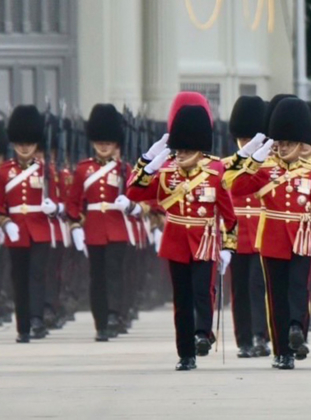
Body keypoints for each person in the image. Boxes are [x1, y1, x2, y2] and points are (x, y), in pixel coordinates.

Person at [126, 93, 237, 371]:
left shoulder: (215, 171)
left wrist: (228, 246)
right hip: (176, 241)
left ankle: (202, 334)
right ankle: (186, 353)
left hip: (204, 240)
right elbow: (133, 192)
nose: (182, 154)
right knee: (182, 299)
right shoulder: (166, 172)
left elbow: (228, 213)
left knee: (203, 292)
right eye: (180, 150)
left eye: (187, 150)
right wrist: (147, 164)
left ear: (199, 149)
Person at [227, 97, 311, 370]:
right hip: (272, 238)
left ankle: (297, 329)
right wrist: (254, 161)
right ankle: (282, 351)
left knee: (299, 289)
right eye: (280, 143)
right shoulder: (264, 170)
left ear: (301, 144)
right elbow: (234, 187)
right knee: (276, 296)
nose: (283, 148)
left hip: (302, 239)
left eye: (289, 143)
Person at [67, 104, 139, 341]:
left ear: (116, 143)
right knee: (97, 277)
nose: (104, 145)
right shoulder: (83, 169)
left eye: (108, 142)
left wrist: (129, 204)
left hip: (118, 228)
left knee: (115, 274)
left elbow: (138, 198)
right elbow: (73, 202)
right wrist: (75, 224)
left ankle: (115, 314)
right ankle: (101, 321)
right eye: (100, 141)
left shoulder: (125, 169)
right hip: (94, 229)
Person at [0, 105, 59, 342]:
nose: (24, 147)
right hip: (16, 230)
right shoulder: (4, 172)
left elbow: (58, 201)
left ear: (36, 144)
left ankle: (37, 319)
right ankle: (22, 326)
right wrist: (5, 222)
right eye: (20, 143)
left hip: (40, 229)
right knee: (19, 279)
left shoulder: (46, 171)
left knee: (37, 275)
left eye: (29, 143)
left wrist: (54, 208)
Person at [224, 95, 271, 358]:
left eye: (251, 139)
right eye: (242, 139)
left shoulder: (270, 165)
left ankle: (260, 335)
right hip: (236, 234)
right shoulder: (227, 166)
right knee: (239, 288)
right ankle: (243, 338)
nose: (247, 143)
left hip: (263, 232)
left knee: (259, 286)